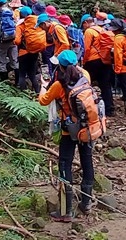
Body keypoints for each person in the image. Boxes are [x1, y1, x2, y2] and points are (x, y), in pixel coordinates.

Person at [39, 50, 98, 221]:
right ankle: (86, 202)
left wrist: (43, 86)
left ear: (61, 66)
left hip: (68, 130)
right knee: (87, 161)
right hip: (86, 128)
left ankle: (66, 210)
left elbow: (43, 101)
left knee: (65, 164)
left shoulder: (59, 84)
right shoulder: (85, 75)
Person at [82, 15, 116, 115]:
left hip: (93, 61)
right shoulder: (102, 29)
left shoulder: (89, 31)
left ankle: (87, 107)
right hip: (105, 60)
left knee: (86, 83)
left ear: (86, 23)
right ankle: (109, 109)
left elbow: (87, 48)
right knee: (105, 85)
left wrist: (84, 61)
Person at [14, 6, 46, 94]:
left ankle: (23, 95)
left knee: (22, 74)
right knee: (32, 74)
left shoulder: (20, 25)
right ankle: (37, 92)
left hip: (23, 52)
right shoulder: (37, 22)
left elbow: (17, 41)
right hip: (35, 52)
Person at [0, 0, 18, 82]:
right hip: (12, 38)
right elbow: (16, 24)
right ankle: (17, 82)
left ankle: (3, 83)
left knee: (1, 60)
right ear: (6, 2)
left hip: (2, 40)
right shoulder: (11, 12)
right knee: (14, 60)